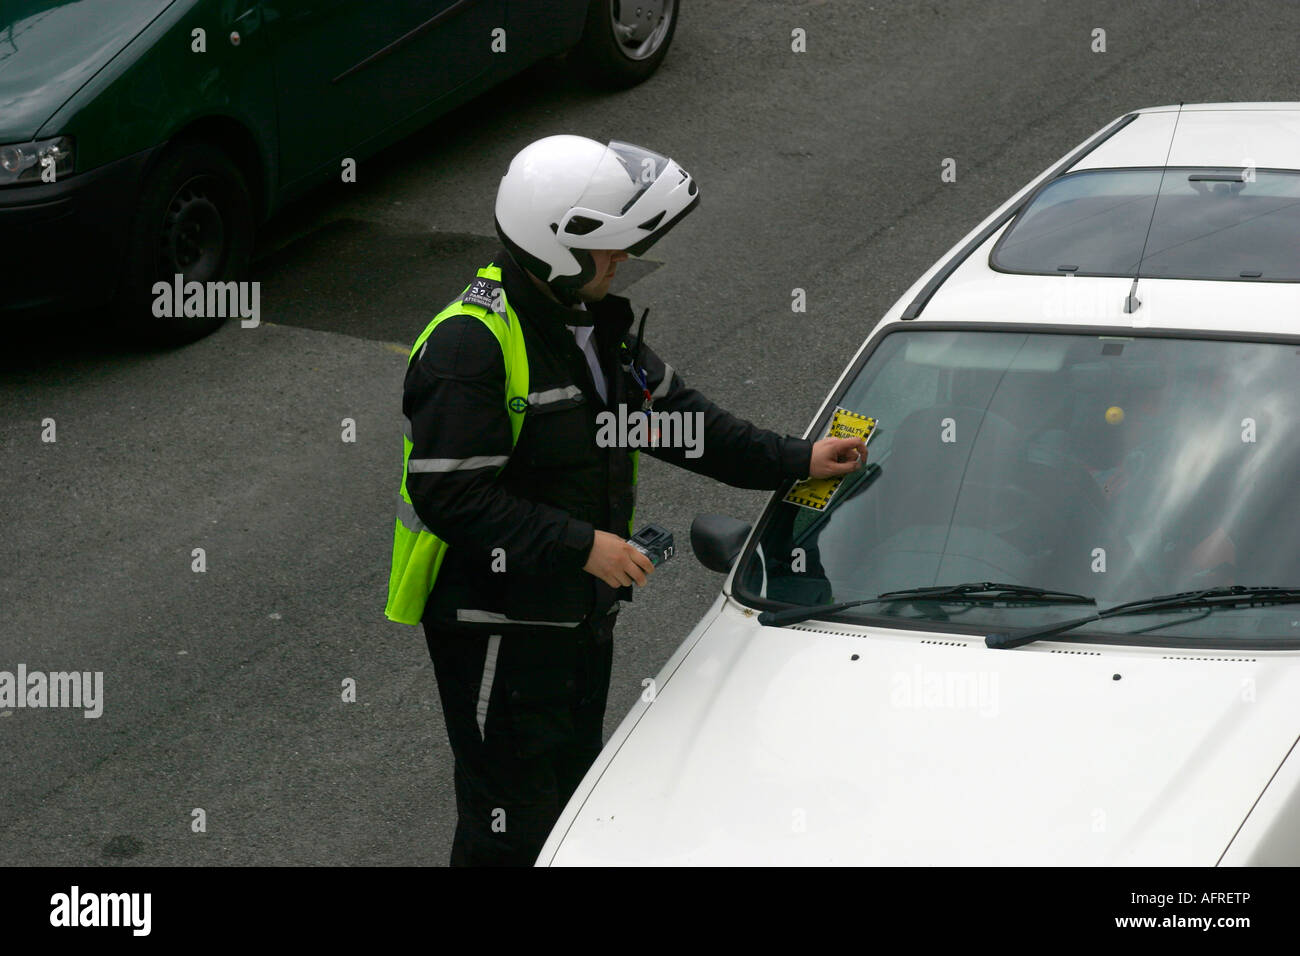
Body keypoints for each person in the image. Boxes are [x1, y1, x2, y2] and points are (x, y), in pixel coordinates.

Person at [385, 135, 867, 866]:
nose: (623, 260)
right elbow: (453, 496)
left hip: (575, 618)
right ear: (560, 248)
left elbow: (681, 422)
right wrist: (585, 546)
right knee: (508, 825)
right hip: (496, 631)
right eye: (611, 247)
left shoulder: (591, 327)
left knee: (575, 806)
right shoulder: (469, 348)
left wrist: (793, 459)